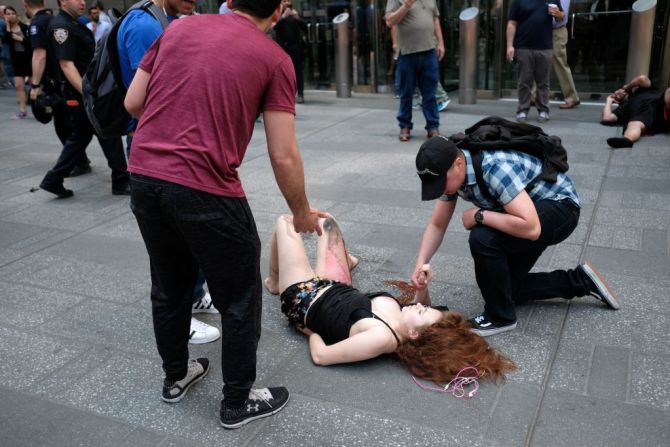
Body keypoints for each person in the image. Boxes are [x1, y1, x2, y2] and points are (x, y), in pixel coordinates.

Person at [123, 0, 323, 429]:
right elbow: (283, 154)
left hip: (144, 177)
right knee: (239, 296)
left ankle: (176, 377)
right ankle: (237, 401)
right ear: (280, 8)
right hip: (205, 187)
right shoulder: (274, 59)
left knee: (169, 285)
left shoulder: (178, 29)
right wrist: (301, 213)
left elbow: (133, 102)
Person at [264, 214, 516, 383]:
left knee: (287, 221)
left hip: (304, 295)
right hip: (335, 287)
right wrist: (423, 287)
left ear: (416, 334)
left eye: (421, 312)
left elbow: (322, 356)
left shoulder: (381, 338)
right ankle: (346, 261)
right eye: (422, 307)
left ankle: (276, 281)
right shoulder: (402, 323)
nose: (419, 305)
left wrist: (309, 332)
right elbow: (424, 306)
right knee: (326, 221)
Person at [411, 136, 620, 336]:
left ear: (458, 163)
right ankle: (580, 280)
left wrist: (479, 215)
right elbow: (437, 225)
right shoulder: (453, 173)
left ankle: (500, 317)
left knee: (482, 237)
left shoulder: (494, 168)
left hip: (560, 209)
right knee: (504, 288)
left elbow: (531, 228)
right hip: (526, 212)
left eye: (440, 182)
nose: (440, 189)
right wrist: (420, 265)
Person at [117, 0, 221, 345]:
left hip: (168, 143)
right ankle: (182, 319)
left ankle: (194, 296)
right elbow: (141, 96)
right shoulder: (145, 25)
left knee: (189, 239)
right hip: (157, 146)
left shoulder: (164, 20)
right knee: (171, 250)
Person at [39, 0, 129, 198]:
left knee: (82, 136)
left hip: (83, 93)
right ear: (62, 2)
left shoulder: (75, 22)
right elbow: (66, 65)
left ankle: (53, 179)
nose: (83, 2)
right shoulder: (62, 26)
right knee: (108, 130)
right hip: (79, 94)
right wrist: (88, 94)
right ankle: (121, 180)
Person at [385, 0, 444, 141]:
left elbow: (435, 20)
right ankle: (404, 126)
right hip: (407, 53)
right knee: (406, 93)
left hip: (429, 51)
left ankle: (433, 127)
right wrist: (406, 5)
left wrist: (441, 42)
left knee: (430, 94)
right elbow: (389, 21)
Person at [507, 0, 562, 123]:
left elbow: (561, 18)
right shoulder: (519, 2)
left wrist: (557, 13)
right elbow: (512, 23)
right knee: (524, 81)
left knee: (543, 82)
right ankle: (522, 110)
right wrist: (510, 46)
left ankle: (543, 110)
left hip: (545, 47)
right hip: (523, 47)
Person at [601, 75, 670, 149]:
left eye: (616, 92)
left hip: (660, 101)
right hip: (651, 114)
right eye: (615, 95)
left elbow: (642, 79)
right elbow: (607, 118)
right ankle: (627, 140)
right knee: (635, 124)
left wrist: (626, 88)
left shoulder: (642, 90)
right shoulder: (622, 109)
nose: (617, 94)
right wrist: (609, 100)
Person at [1, 6, 31, 119]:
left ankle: (42, 107)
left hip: (28, 59)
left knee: (35, 86)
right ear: (4, 16)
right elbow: (7, 41)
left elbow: (31, 44)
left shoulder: (24, 27)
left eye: (12, 13)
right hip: (16, 60)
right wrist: (8, 26)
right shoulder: (5, 29)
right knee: (19, 86)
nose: (10, 15)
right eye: (7, 14)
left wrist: (20, 39)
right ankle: (22, 111)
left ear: (16, 14)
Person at [273, 2, 306, 103]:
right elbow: (275, 28)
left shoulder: (295, 20)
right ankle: (291, 93)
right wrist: (283, 17)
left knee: (298, 71)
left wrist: (295, 16)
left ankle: (300, 93)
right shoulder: (282, 21)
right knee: (287, 72)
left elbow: (304, 26)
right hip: (285, 48)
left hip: (295, 48)